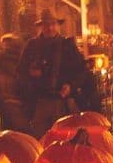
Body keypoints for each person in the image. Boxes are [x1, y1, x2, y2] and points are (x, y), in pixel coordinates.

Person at [17, 9, 86, 137]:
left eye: (53, 24)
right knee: (40, 140)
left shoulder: (67, 46)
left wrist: (71, 86)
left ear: (58, 25)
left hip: (62, 102)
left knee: (64, 139)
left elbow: (81, 71)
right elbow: (21, 72)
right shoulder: (32, 46)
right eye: (46, 25)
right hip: (39, 102)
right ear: (41, 27)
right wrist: (31, 76)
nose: (50, 28)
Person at [0, 33, 29, 132]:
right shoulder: (21, 57)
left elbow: (3, 79)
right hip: (11, 98)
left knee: (12, 127)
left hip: (10, 98)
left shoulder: (4, 59)